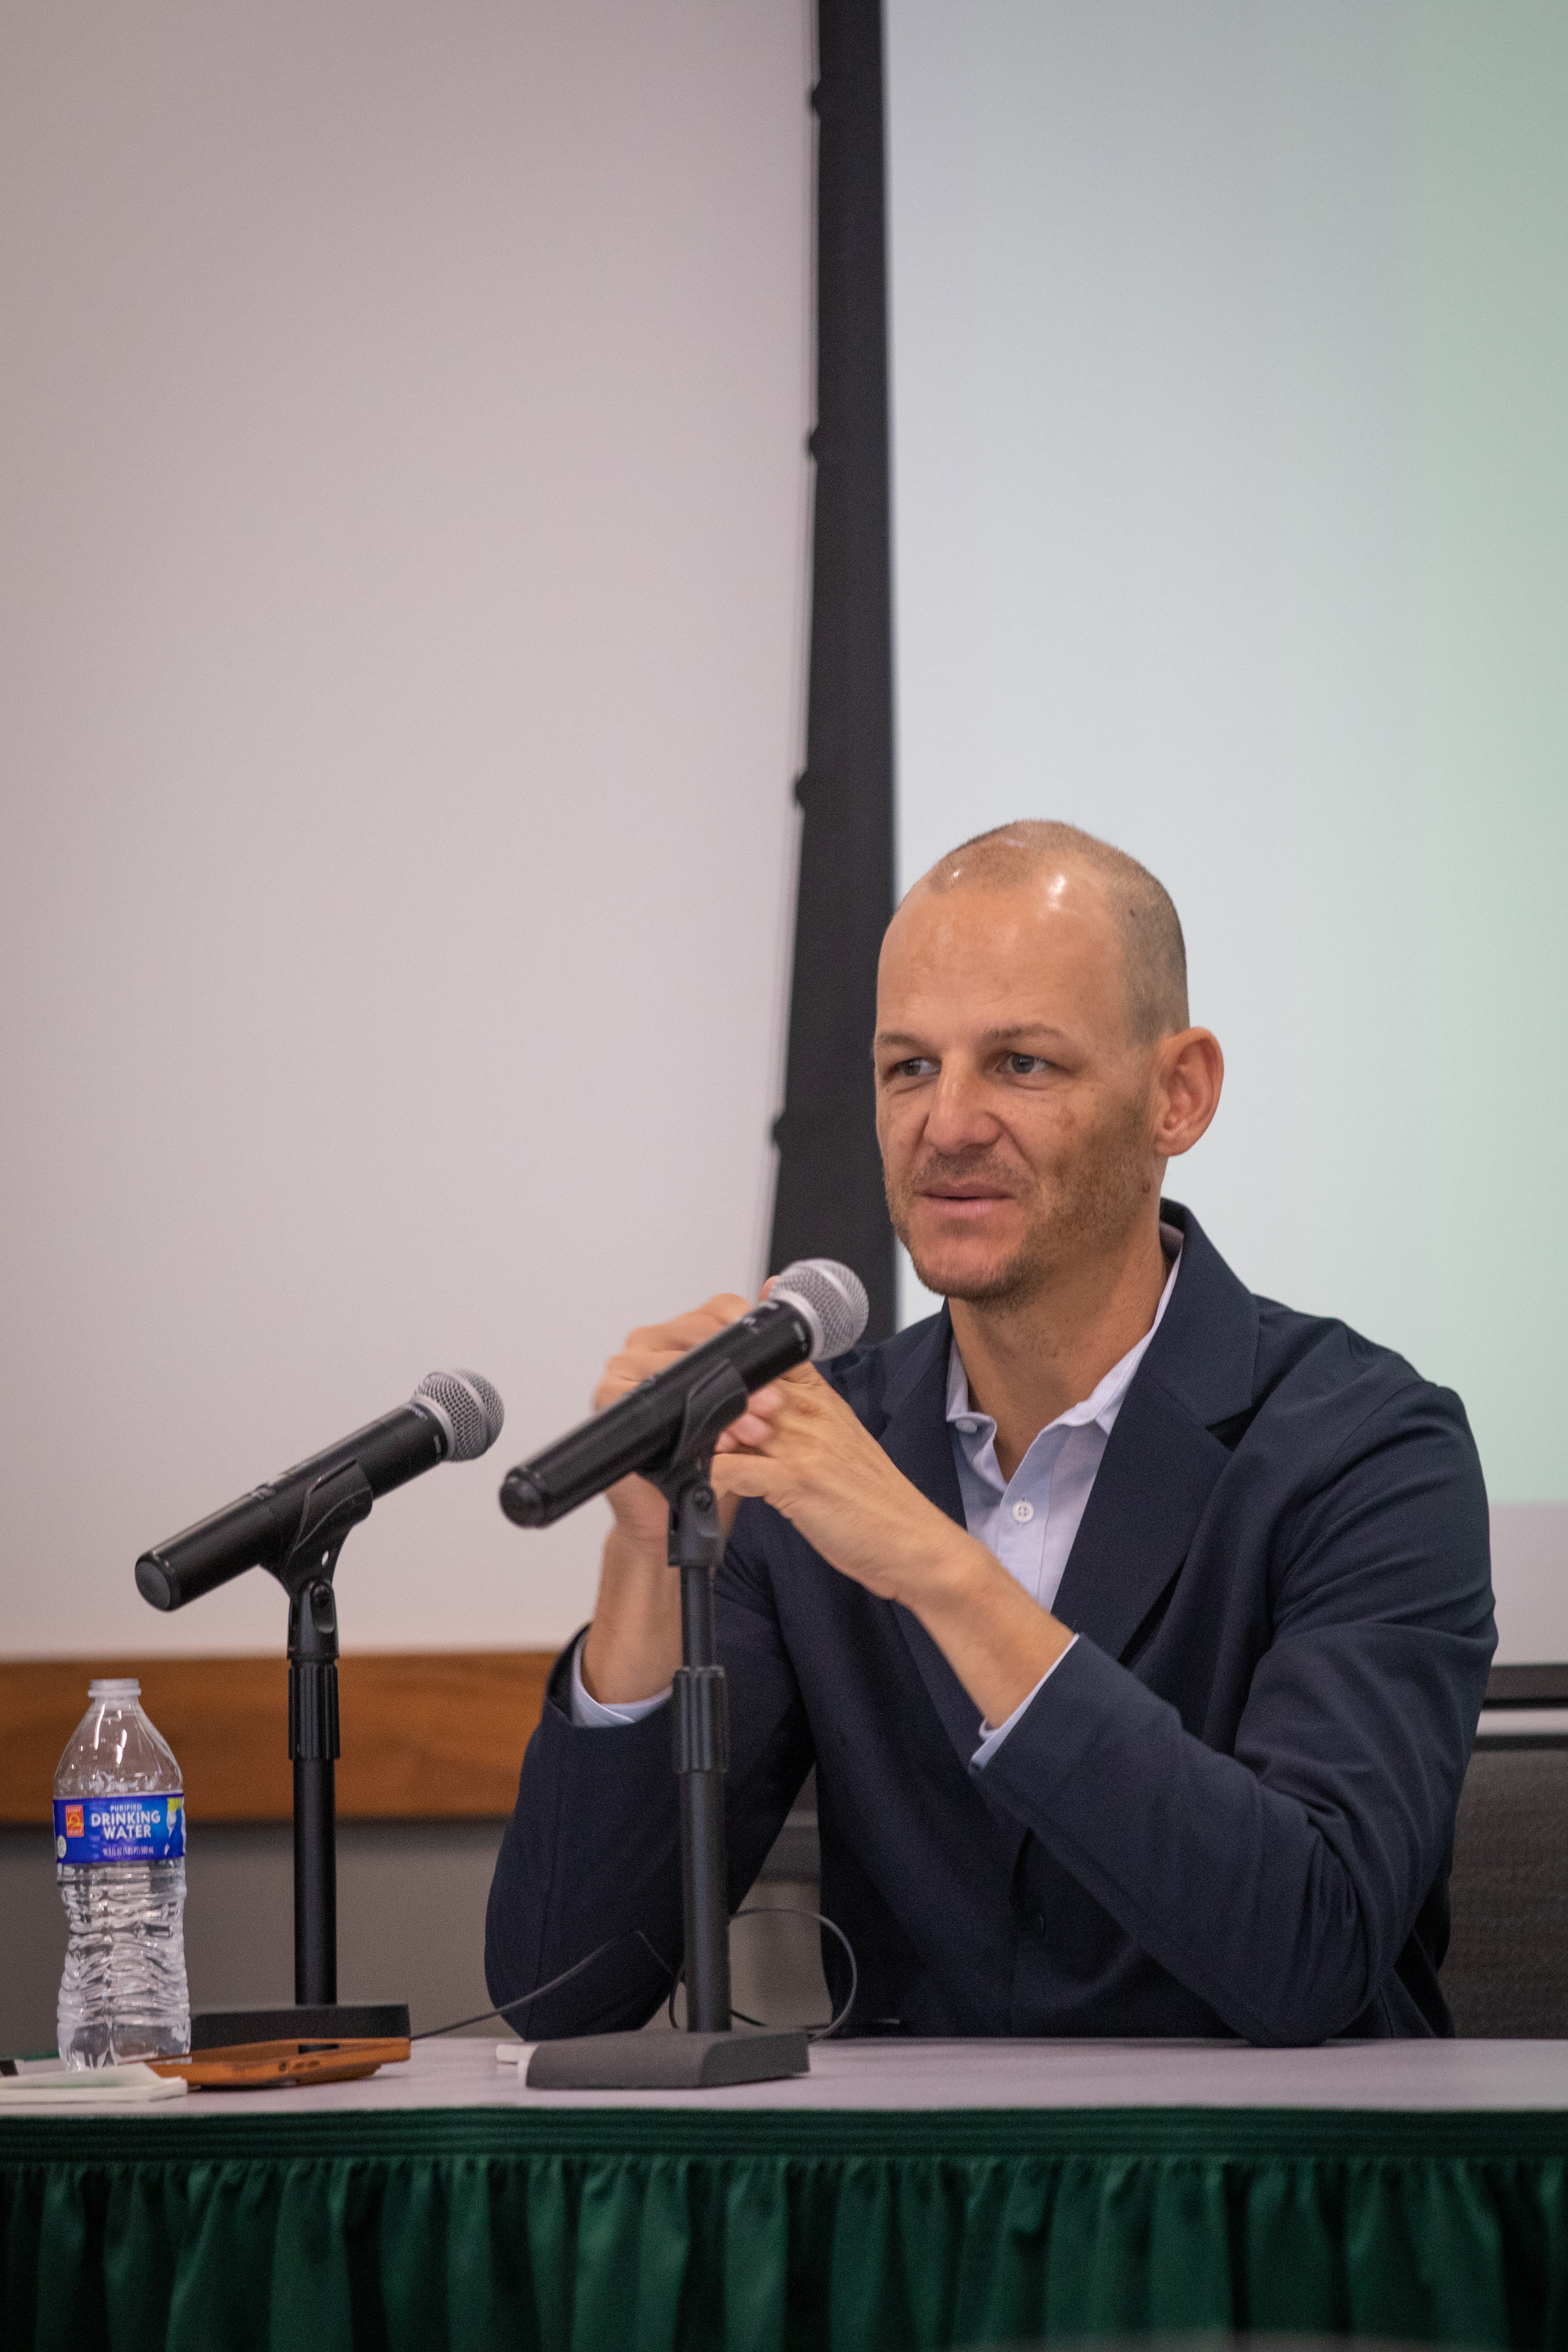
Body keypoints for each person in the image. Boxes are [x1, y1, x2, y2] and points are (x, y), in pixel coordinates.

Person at [486, 820, 1495, 2044]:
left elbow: (1309, 1949)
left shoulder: (1369, 1443)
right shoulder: (810, 1447)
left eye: (1018, 1063)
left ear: (1178, 1094)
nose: (946, 1122)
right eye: (907, 1067)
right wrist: (648, 1554)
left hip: (1259, 2205)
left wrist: (942, 1569)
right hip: (906, 2214)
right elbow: (558, 1991)